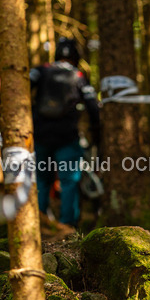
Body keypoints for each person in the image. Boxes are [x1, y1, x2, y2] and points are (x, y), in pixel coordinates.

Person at [30, 37, 101, 229]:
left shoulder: (41, 70)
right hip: (67, 138)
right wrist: (97, 133)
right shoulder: (78, 76)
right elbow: (93, 106)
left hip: (40, 135)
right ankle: (67, 227)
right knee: (69, 181)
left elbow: (20, 86)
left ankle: (38, 224)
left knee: (42, 180)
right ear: (76, 57)